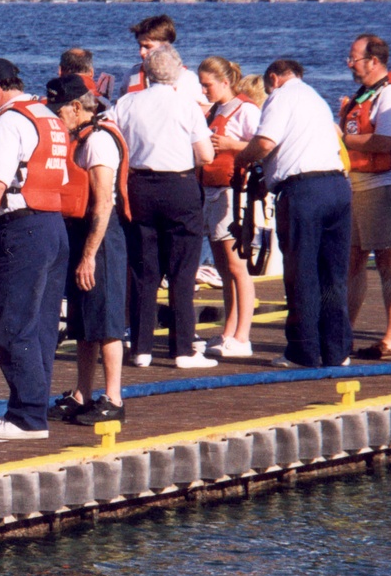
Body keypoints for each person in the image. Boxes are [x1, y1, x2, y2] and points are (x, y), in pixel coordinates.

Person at [0, 58, 70, 440]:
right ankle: (34, 410)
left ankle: (26, 418)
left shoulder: (8, 121)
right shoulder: (47, 116)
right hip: (53, 225)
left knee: (12, 325)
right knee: (40, 327)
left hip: (20, 230)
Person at [234, 60, 352, 368]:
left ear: (273, 78)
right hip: (338, 186)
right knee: (332, 275)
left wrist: (241, 159)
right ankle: (337, 351)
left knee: (301, 274)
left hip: (304, 191)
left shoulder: (281, 97)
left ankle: (303, 351)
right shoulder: (316, 98)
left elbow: (265, 141)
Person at [111, 44, 217, 369]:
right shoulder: (186, 105)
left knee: (144, 269)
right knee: (182, 270)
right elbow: (206, 156)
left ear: (146, 72)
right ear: (177, 72)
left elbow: (112, 137)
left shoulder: (127, 102)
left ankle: (141, 347)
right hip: (180, 186)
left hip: (139, 185)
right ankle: (182, 348)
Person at [44, 74, 129, 425]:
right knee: (83, 321)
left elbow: (103, 203)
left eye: (58, 109)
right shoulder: (80, 137)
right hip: (81, 235)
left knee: (106, 321)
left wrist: (89, 255)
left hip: (102, 240)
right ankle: (82, 392)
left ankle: (113, 397)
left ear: (77, 107)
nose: (54, 116)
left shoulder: (98, 142)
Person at [339, 35, 391, 361]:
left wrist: (342, 138)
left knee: (387, 260)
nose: (349, 64)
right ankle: (342, 332)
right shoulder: (364, 95)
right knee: (353, 260)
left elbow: (385, 142)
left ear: (373, 61)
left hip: (387, 185)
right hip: (361, 185)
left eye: (354, 58)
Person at [197, 57, 262, 358]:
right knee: (224, 267)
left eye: (207, 84)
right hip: (210, 190)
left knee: (237, 266)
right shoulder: (214, 111)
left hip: (232, 193)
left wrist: (232, 146)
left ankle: (243, 335)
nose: (204, 89)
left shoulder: (245, 109)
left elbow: (263, 145)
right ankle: (229, 330)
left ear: (224, 83)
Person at [116, 13, 209, 111]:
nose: (141, 52)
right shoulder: (131, 76)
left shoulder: (186, 79)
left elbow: (206, 110)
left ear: (165, 47)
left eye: (148, 47)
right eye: (140, 46)